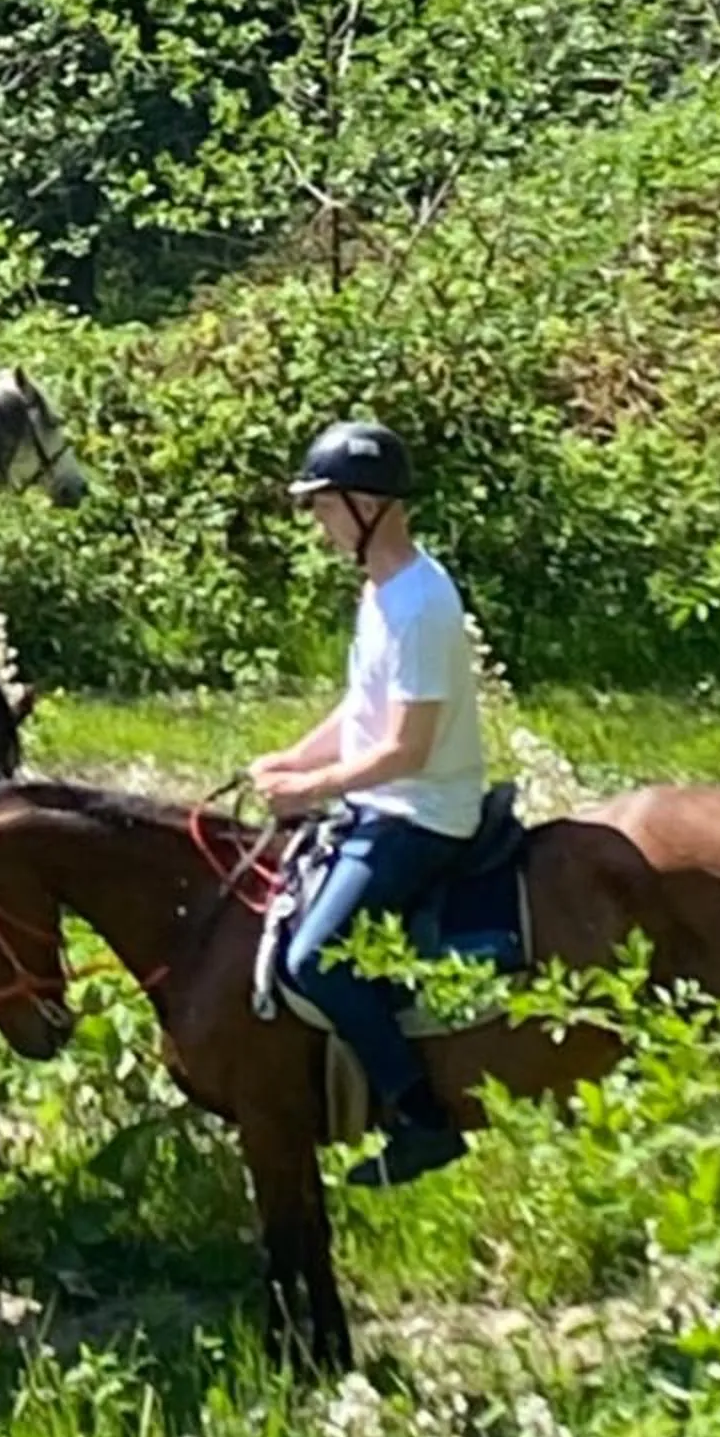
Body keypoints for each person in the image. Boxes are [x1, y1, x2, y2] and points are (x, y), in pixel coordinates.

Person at [250, 419, 486, 1189]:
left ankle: (421, 1119)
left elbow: (406, 750)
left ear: (365, 506)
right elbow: (361, 709)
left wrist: (308, 788)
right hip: (382, 803)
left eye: (323, 507)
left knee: (313, 957)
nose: (318, 524)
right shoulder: (383, 591)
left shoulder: (422, 604)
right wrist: (293, 754)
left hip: (421, 814)